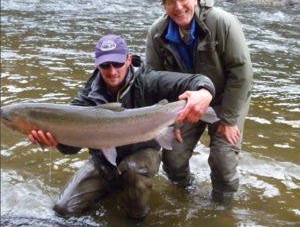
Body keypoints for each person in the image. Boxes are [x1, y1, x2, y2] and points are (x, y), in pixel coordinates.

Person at [29, 34, 216, 218]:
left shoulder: (148, 79)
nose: (112, 71)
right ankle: (114, 183)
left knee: (133, 175)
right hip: (103, 159)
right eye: (105, 65)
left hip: (143, 152)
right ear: (97, 65)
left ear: (128, 60)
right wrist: (56, 140)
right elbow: (72, 148)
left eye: (117, 64)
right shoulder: (87, 96)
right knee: (62, 210)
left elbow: (194, 80)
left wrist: (204, 92)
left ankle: (137, 218)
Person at [145, 0, 253, 201]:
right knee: (172, 160)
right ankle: (184, 195)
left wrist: (229, 120)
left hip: (226, 97)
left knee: (223, 160)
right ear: (163, 6)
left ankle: (223, 210)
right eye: (171, 2)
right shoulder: (157, 33)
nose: (179, 6)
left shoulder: (222, 22)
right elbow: (153, 80)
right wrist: (169, 120)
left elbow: (242, 74)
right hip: (184, 102)